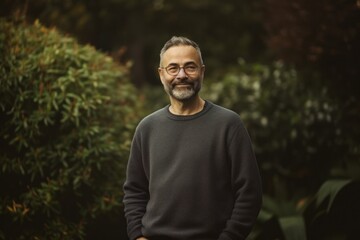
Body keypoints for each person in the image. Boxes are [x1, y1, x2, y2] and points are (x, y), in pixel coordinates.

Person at [123, 36, 262, 240]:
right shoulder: (147, 128)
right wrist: (137, 236)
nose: (182, 75)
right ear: (161, 75)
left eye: (190, 67)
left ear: (202, 72)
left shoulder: (228, 124)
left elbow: (249, 192)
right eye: (173, 68)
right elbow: (134, 190)